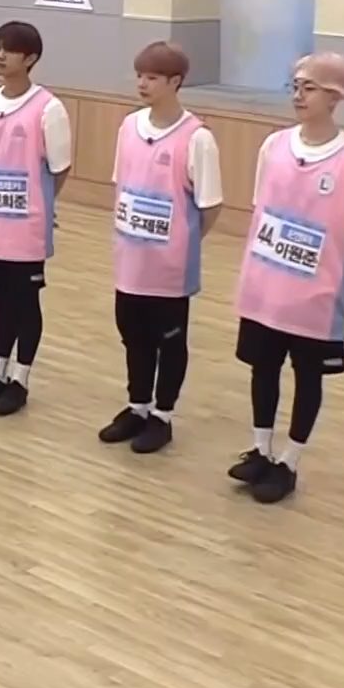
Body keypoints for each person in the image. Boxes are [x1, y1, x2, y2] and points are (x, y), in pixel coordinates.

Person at [229, 52, 344, 505]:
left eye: (308, 88)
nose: (298, 95)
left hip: (314, 297)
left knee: (308, 378)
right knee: (263, 368)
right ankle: (260, 448)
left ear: (335, 97)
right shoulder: (273, 146)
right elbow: (261, 205)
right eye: (294, 86)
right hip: (264, 286)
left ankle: (289, 461)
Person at [100, 41, 223, 454]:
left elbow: (210, 205)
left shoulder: (197, 138)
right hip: (129, 261)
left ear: (175, 82)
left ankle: (163, 415)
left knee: (168, 341)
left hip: (169, 270)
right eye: (140, 75)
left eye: (152, 77)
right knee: (133, 336)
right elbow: (122, 186)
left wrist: (182, 244)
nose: (142, 84)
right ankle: (137, 405)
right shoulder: (129, 127)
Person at [0, 21, 73, 416]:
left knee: (25, 301)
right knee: (1, 300)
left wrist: (41, 204)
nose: (0, 55)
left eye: (9, 49)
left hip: (27, 228)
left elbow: (59, 167)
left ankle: (20, 379)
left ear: (30, 58)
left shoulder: (48, 108)